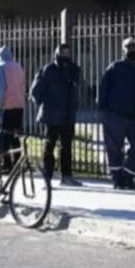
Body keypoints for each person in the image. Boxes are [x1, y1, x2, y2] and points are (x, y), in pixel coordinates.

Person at [98, 37, 135, 190]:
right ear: (123, 49)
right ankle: (117, 179)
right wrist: (104, 113)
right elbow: (103, 90)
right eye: (129, 47)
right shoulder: (114, 68)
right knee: (114, 149)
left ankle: (128, 176)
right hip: (116, 116)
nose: (132, 49)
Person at [30, 42, 81, 186]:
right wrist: (43, 103)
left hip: (67, 114)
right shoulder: (48, 70)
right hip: (51, 114)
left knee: (67, 146)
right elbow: (36, 91)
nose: (66, 55)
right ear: (57, 53)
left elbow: (76, 90)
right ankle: (48, 175)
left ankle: (66, 175)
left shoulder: (73, 70)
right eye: (63, 52)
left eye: (68, 52)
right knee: (49, 145)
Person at [0, 46, 26, 134]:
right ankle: (17, 147)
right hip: (19, 105)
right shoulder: (19, 67)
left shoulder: (1, 68)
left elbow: (0, 90)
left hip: (6, 106)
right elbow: (22, 86)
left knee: (5, 135)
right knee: (15, 134)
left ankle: (7, 148)